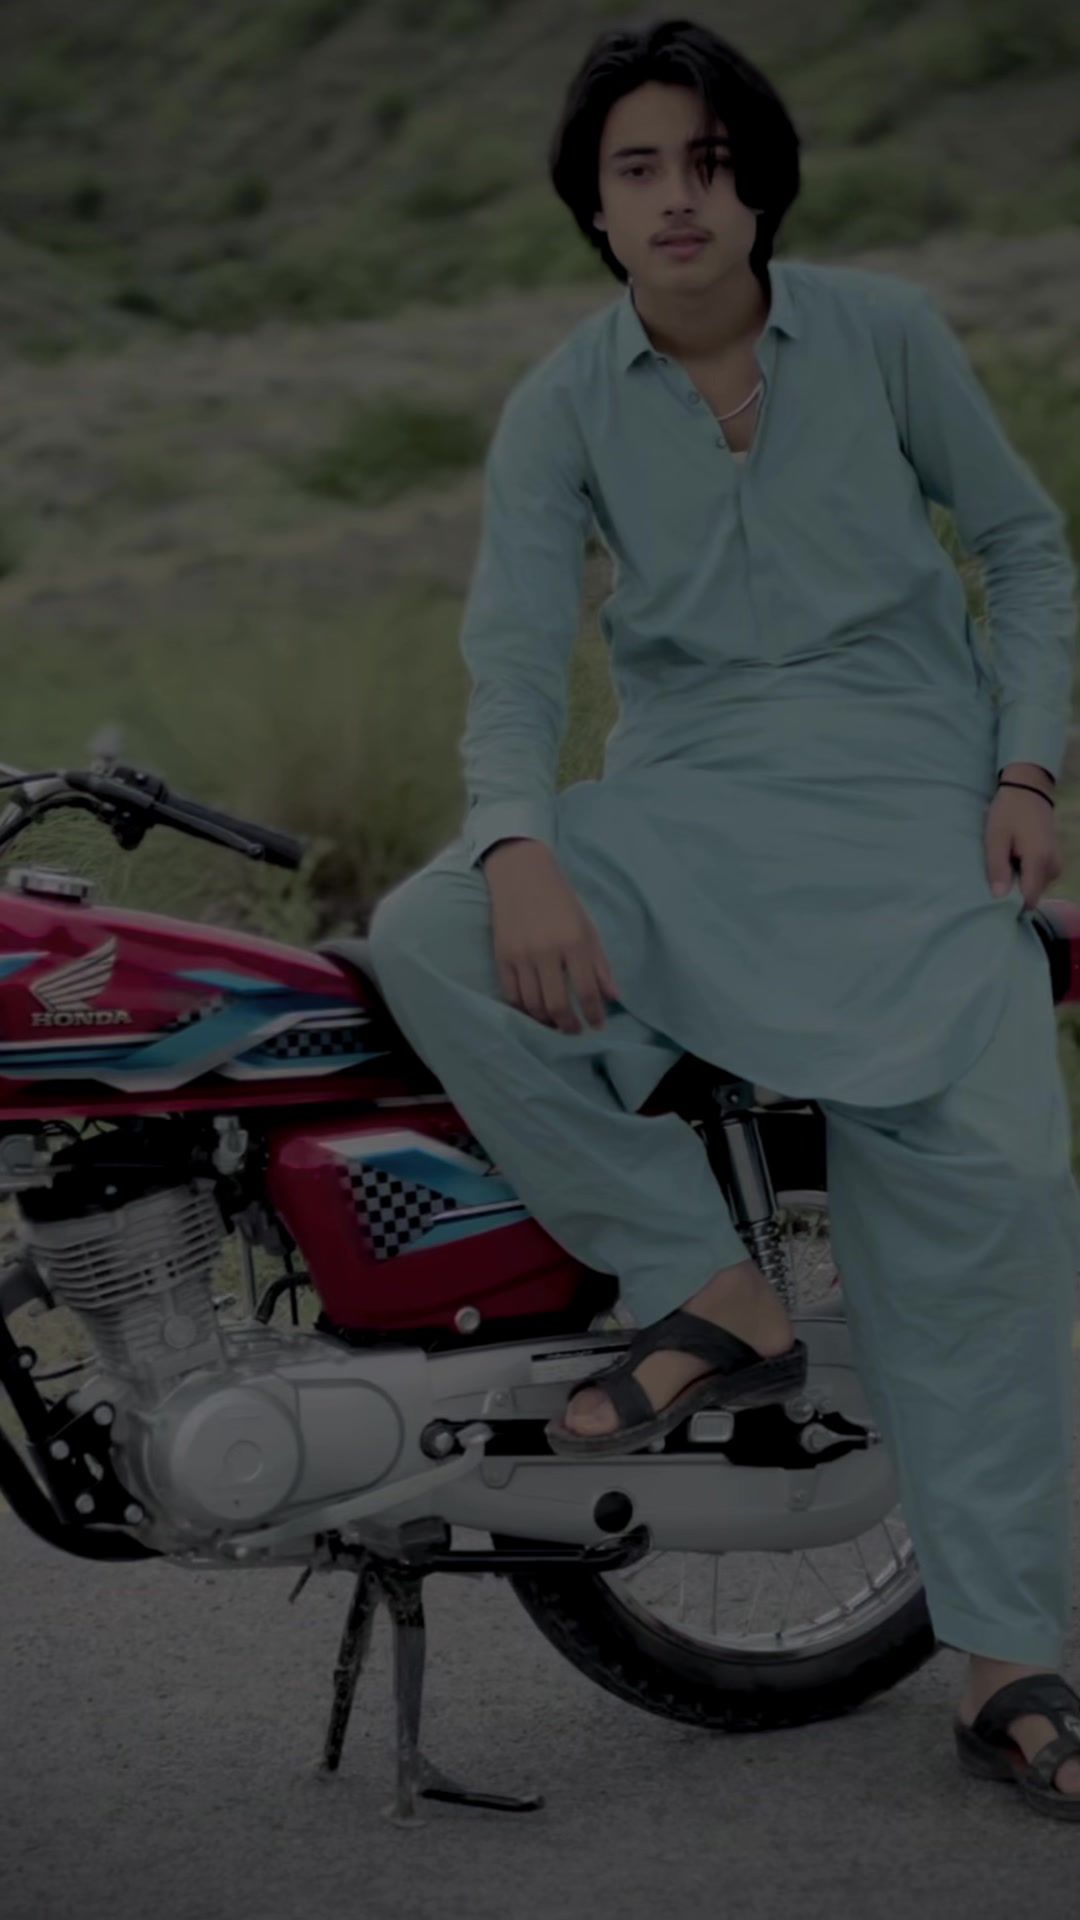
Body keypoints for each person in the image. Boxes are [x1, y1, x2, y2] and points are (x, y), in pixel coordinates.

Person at [367, 18, 1080, 1808]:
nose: (678, 197)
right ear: (597, 209)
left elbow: (1023, 547)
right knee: (431, 930)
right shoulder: (563, 403)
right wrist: (516, 845)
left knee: (998, 1192)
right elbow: (514, 661)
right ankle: (700, 1274)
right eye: (639, 169)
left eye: (708, 161)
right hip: (690, 806)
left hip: (911, 804)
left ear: (758, 186)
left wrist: (1028, 769)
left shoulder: (887, 334)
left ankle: (1010, 1661)